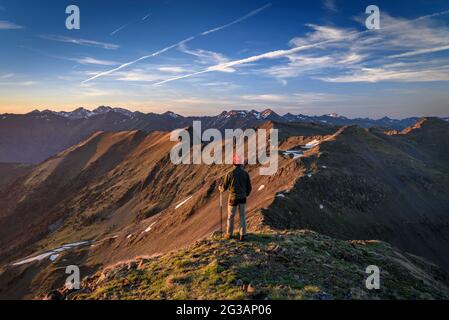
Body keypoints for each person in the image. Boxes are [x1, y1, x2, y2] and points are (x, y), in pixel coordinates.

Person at [219, 154, 252, 241]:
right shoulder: (245, 174)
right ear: (241, 163)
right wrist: (246, 194)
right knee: (242, 216)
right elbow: (249, 187)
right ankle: (242, 235)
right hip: (242, 198)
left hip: (233, 198)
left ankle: (229, 234)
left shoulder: (229, 174)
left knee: (231, 216)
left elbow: (224, 187)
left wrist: (220, 189)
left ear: (233, 163)